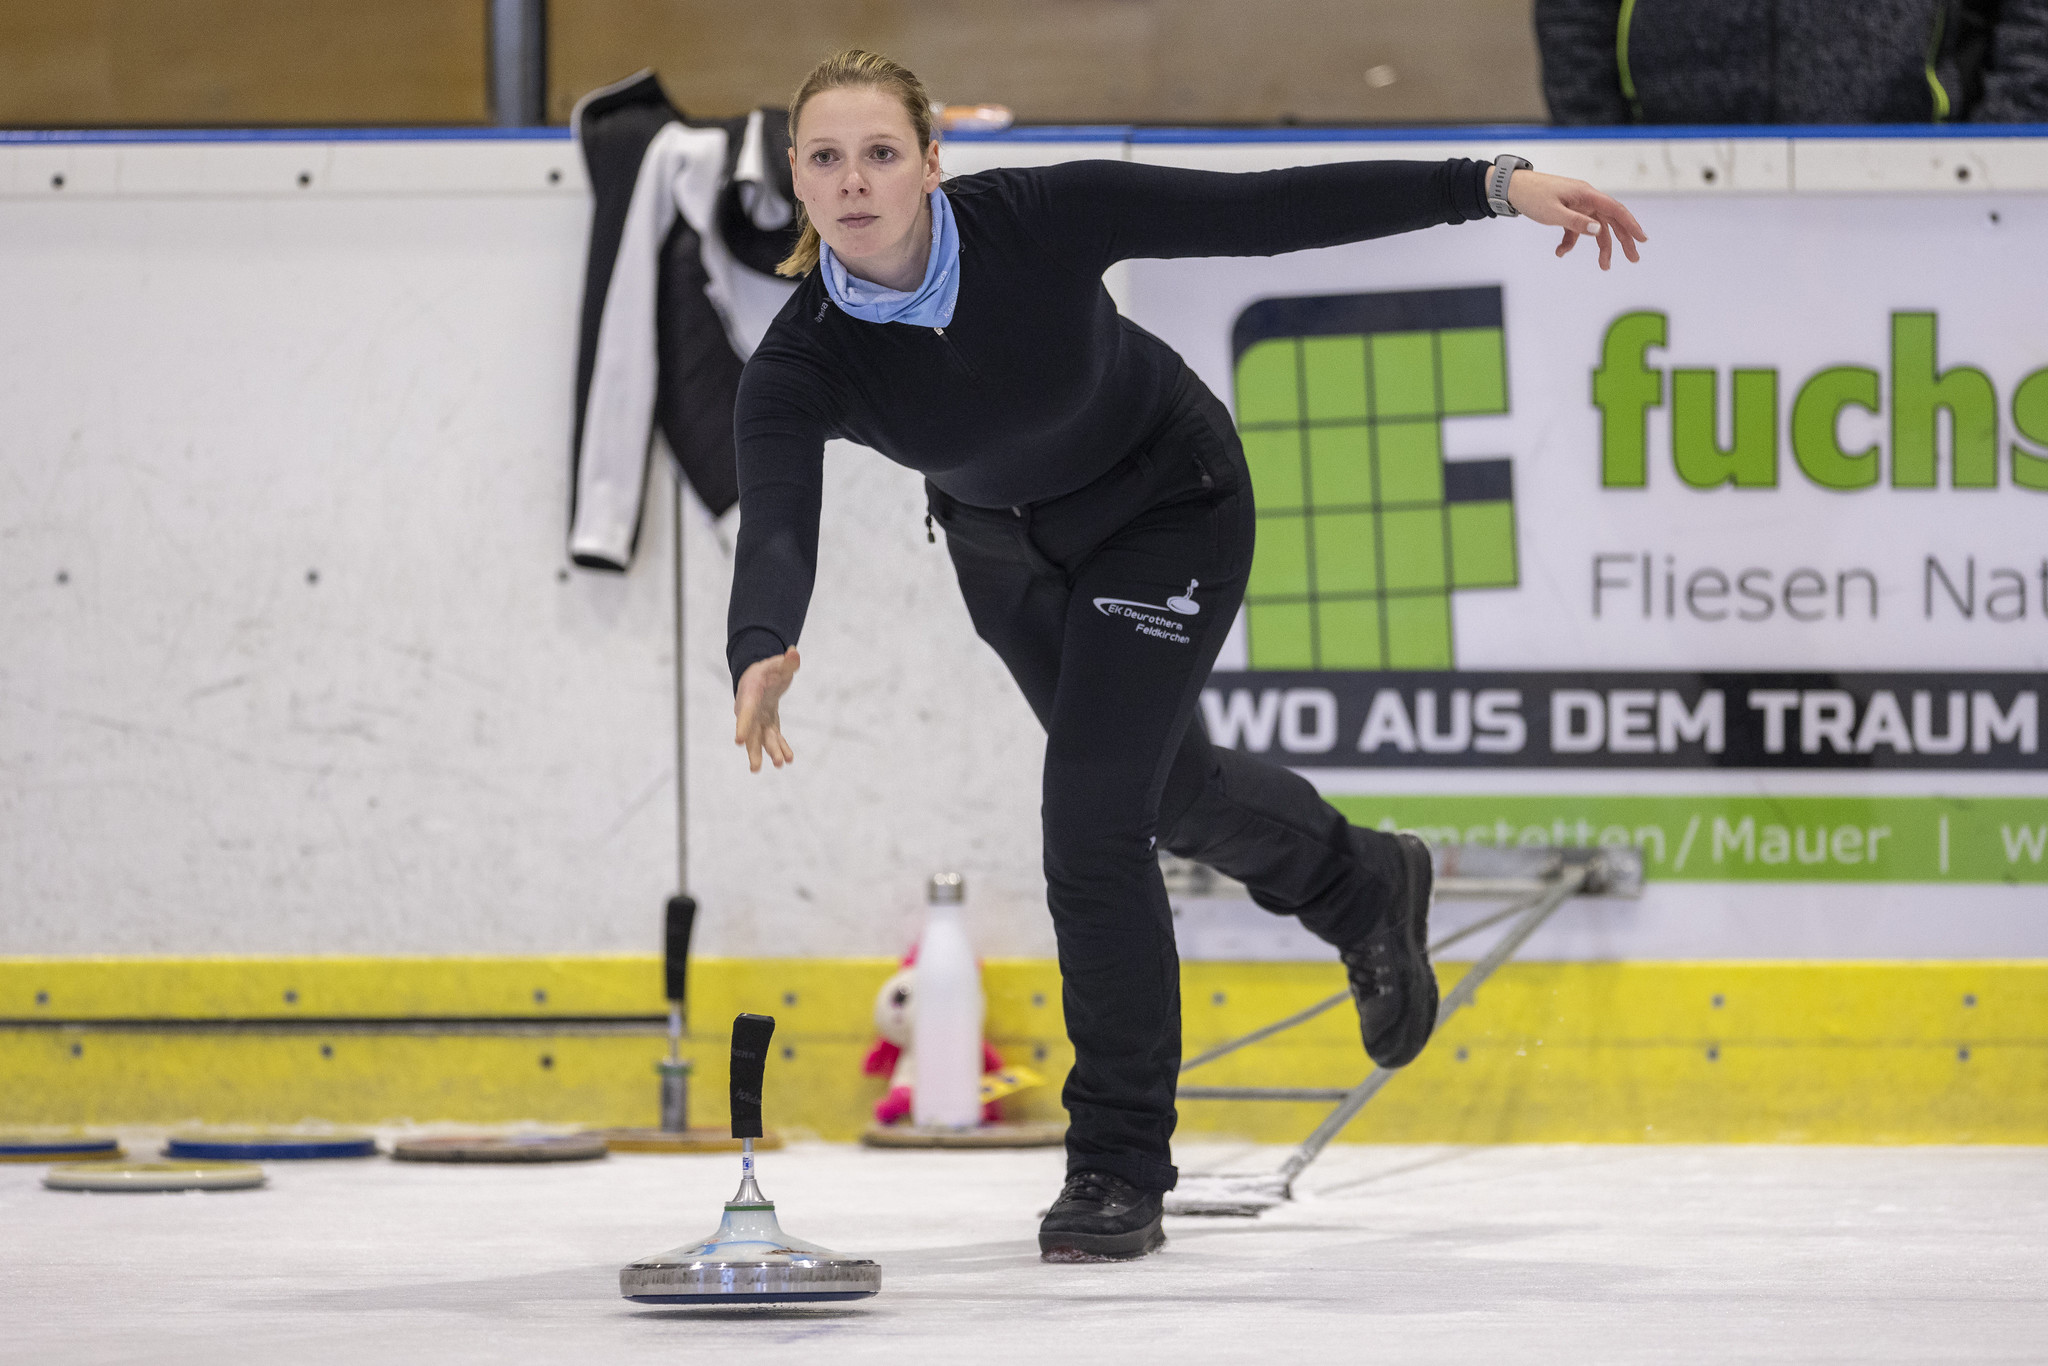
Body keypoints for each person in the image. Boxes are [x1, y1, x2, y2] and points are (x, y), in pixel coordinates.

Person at [727, 48, 1647, 1262]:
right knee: (1158, 793)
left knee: (1090, 818)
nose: (855, 181)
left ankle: (1115, 1165)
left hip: (1167, 503)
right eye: (827, 158)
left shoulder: (1037, 219)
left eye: (881, 152)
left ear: (932, 161)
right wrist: (761, 645)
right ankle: (1358, 881)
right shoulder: (800, 360)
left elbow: (1260, 212)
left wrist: (1485, 183)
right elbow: (779, 515)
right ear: (794, 175)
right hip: (1002, 556)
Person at [1536, 0, 2048, 125]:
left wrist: (2003, 138)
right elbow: (1573, 15)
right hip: (1663, 182)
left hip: (1924, 183)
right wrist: (1599, 147)